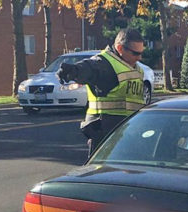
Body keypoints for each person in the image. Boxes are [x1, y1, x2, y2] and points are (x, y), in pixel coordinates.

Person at [57, 28, 145, 156]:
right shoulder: (105, 64)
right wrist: (73, 72)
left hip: (128, 130)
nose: (139, 57)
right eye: (135, 53)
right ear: (120, 48)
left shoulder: (137, 68)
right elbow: (90, 68)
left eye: (141, 53)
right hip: (105, 131)